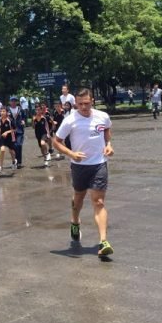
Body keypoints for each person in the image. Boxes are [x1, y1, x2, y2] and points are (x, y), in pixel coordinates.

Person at [53, 88, 115, 257]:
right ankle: (74, 221)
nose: (83, 107)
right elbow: (56, 142)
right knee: (78, 197)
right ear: (75, 104)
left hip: (99, 164)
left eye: (86, 103)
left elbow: (107, 131)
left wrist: (108, 145)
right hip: (79, 166)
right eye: (80, 104)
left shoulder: (102, 116)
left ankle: (103, 241)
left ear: (92, 101)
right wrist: (71, 154)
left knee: (99, 202)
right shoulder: (70, 120)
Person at [0, 107, 17, 173]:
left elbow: (15, 129)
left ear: (7, 112)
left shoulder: (10, 120)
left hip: (10, 138)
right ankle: (0, 166)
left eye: (3, 111)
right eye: (1, 111)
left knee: (11, 151)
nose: (2, 113)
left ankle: (14, 161)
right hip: (2, 138)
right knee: (2, 150)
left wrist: (7, 132)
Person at [7, 97, 26, 168]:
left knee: (19, 145)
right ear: (10, 102)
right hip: (11, 131)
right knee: (13, 147)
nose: (13, 102)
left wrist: (23, 121)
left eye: (15, 101)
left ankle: (19, 161)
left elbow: (24, 117)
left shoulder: (20, 109)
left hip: (20, 130)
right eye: (12, 101)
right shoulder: (7, 110)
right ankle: (15, 160)